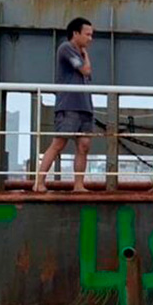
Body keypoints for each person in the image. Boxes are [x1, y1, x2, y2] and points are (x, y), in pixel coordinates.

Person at [34, 17, 94, 193]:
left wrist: (84, 54)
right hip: (69, 105)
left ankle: (78, 184)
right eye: (87, 34)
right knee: (59, 143)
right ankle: (39, 181)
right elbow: (85, 70)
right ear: (75, 33)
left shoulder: (80, 53)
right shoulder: (66, 48)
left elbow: (86, 75)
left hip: (85, 105)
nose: (90, 38)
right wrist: (85, 55)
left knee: (84, 145)